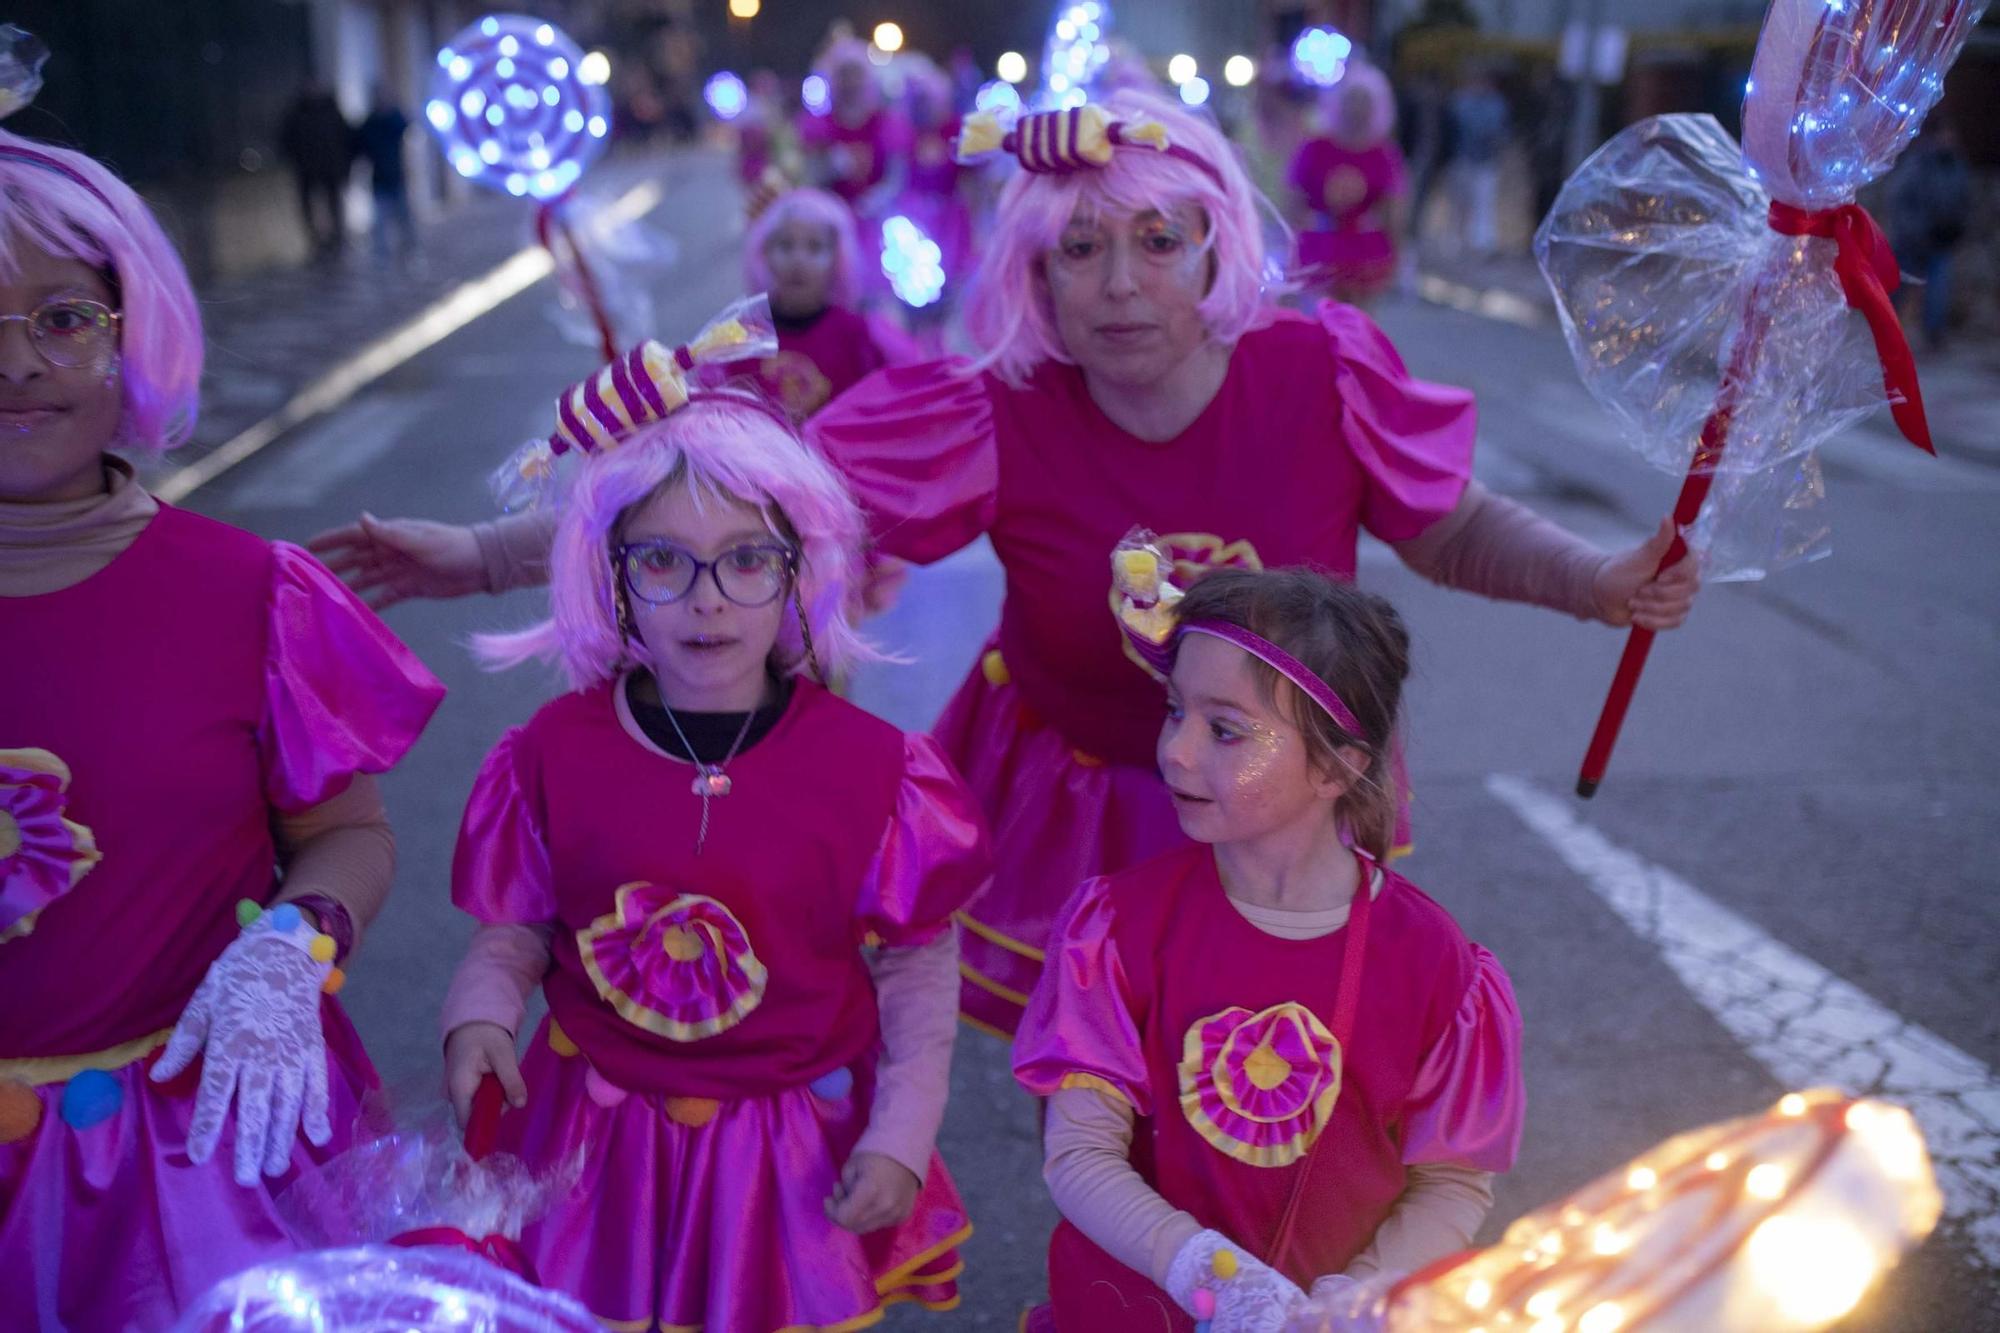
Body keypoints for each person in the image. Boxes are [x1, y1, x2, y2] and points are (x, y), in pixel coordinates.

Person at [304, 89, 1699, 1037]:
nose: (1120, 283)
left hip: (1281, 785)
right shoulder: (989, 410)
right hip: (1081, 796)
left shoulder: (1321, 373)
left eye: (1160, 241)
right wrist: (489, 550)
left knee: (1277, 1084)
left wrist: (1599, 577)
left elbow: (1446, 522)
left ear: (1217, 244)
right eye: (1078, 249)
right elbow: (735, 502)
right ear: (1029, 277)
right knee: (1104, 1098)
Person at [437, 334, 988, 1331]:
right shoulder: (549, 753)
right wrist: (477, 1012)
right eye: (661, 562)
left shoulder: (876, 770)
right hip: (595, 1140)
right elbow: (513, 933)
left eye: (745, 561)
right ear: (608, 577)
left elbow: (915, 970)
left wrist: (903, 1130)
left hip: (786, 1153)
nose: (706, 597)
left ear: (795, 573)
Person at [0, 128, 444, 1328]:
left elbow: (347, 831)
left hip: (196, 1160)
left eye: (62, 318)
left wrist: (291, 948)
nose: (18, 363)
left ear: (129, 328)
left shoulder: (249, 592)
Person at [1014, 569, 1521, 1329]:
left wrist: (1359, 1298)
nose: (1175, 751)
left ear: (1335, 766)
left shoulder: (1435, 964)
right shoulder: (1117, 928)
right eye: (1174, 710)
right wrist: (1211, 1275)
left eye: (1224, 729)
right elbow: (1080, 1154)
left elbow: (1451, 1181)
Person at [744, 186, 922, 422]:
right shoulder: (742, 340)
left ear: (838, 260)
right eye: (786, 246)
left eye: (815, 247)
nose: (799, 261)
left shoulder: (862, 336)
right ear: (764, 253)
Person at [1289, 64, 1408, 306]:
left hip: (1365, 256)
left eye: (1364, 101)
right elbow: (1293, 200)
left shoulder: (1384, 154)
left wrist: (1397, 253)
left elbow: (1393, 210)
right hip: (1319, 250)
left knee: (1359, 328)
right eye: (1351, 100)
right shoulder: (1314, 148)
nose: (1356, 108)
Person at [1888, 118, 1971, 351]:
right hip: (1912, 241)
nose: (1949, 139)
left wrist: (1957, 227)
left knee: (1938, 288)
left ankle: (1934, 332)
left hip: (1940, 239)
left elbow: (1963, 200)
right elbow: (1899, 199)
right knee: (1899, 286)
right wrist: (1914, 231)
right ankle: (1885, 327)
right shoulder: (1918, 163)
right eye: (1946, 133)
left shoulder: (1956, 165)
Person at [279, 80, 354, 258]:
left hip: (330, 168)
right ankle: (316, 241)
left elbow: (345, 139)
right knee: (310, 206)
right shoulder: (297, 114)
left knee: (333, 204)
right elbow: (286, 139)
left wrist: (343, 163)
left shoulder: (331, 111)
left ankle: (337, 238)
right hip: (307, 169)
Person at [353, 85, 416, 263]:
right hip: (379, 178)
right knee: (380, 222)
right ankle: (382, 256)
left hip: (396, 176)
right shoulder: (370, 123)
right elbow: (359, 145)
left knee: (404, 218)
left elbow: (405, 126)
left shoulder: (393, 119)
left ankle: (409, 251)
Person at [1448, 73, 1508, 257]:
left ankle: (1481, 242)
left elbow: (1500, 131)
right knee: (1460, 202)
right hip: (1462, 158)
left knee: (1483, 201)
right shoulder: (1461, 102)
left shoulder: (1495, 105)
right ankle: (1458, 239)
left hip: (1485, 159)